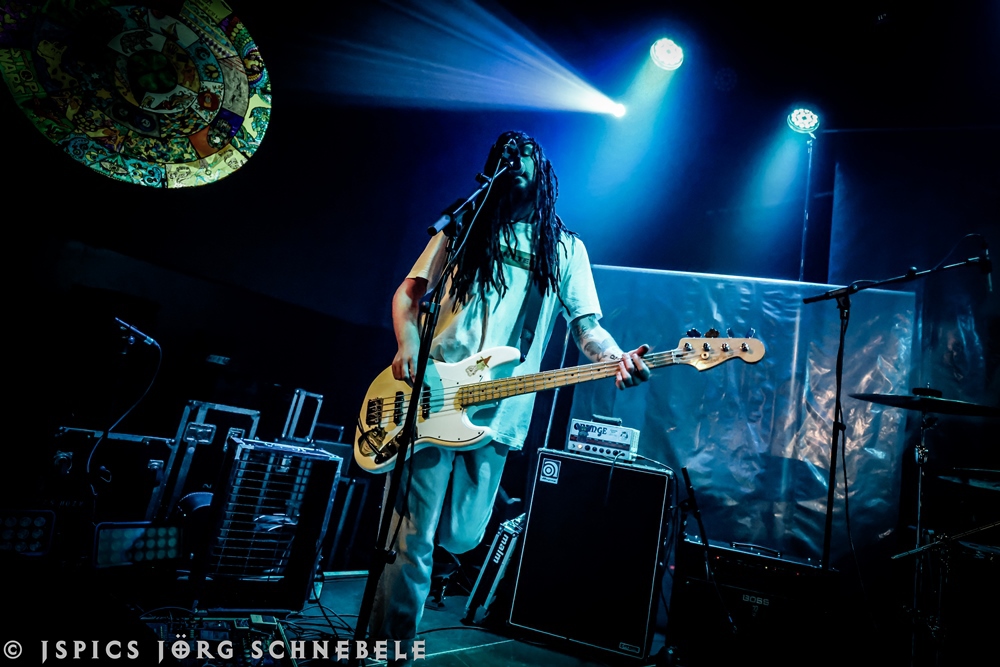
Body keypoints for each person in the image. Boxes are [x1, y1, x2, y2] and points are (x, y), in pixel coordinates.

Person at [368, 130, 651, 663]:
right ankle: (389, 651)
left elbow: (586, 326)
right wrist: (408, 344)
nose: (514, 159)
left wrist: (615, 357)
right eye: (506, 154)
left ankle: (407, 605)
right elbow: (410, 292)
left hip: (501, 407)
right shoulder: (466, 225)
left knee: (462, 534)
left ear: (543, 172)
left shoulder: (564, 248)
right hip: (432, 391)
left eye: (525, 154)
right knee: (413, 538)